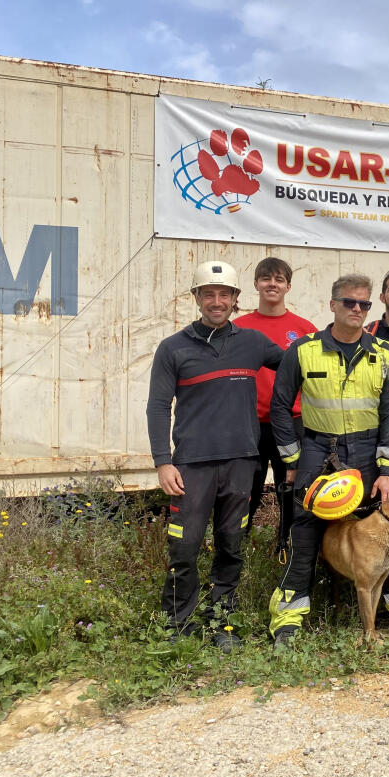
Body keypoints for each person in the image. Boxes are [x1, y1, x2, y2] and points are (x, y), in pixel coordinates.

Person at [268, 274, 389, 649]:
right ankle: (288, 619)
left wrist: (388, 471)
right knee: (303, 530)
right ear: (332, 304)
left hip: (366, 452)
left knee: (387, 531)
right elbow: (280, 407)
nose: (357, 310)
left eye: (364, 304)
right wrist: (293, 459)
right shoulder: (303, 350)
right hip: (317, 450)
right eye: (349, 302)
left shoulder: (383, 353)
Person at [147, 261, 283, 650]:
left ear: (237, 300)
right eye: (209, 293)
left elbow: (297, 366)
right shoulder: (172, 348)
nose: (217, 301)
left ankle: (222, 621)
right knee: (184, 546)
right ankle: (177, 625)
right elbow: (158, 406)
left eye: (225, 294)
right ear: (197, 298)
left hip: (242, 462)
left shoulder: (253, 343)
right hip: (190, 466)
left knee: (231, 544)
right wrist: (163, 461)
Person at [234, 258, 317, 535]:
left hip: (292, 424)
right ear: (256, 284)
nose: (272, 284)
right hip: (250, 425)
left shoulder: (304, 329)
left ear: (288, 286)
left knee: (291, 493)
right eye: (266, 278)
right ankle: (235, 551)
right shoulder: (238, 328)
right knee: (246, 493)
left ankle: (288, 547)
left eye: (279, 279)